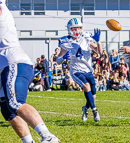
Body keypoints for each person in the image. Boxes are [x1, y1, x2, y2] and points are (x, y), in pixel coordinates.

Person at [0, 1, 59, 142]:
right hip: (5, 67)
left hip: (13, 62)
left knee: (15, 102)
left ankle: (48, 137)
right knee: (7, 110)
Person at [56, 18, 102, 122]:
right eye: (74, 28)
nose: (76, 30)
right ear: (69, 29)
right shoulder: (65, 41)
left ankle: (85, 108)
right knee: (86, 86)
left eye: (78, 28)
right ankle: (95, 111)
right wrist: (63, 57)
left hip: (88, 69)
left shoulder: (86, 37)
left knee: (93, 96)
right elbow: (58, 60)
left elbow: (99, 52)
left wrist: (98, 41)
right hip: (76, 70)